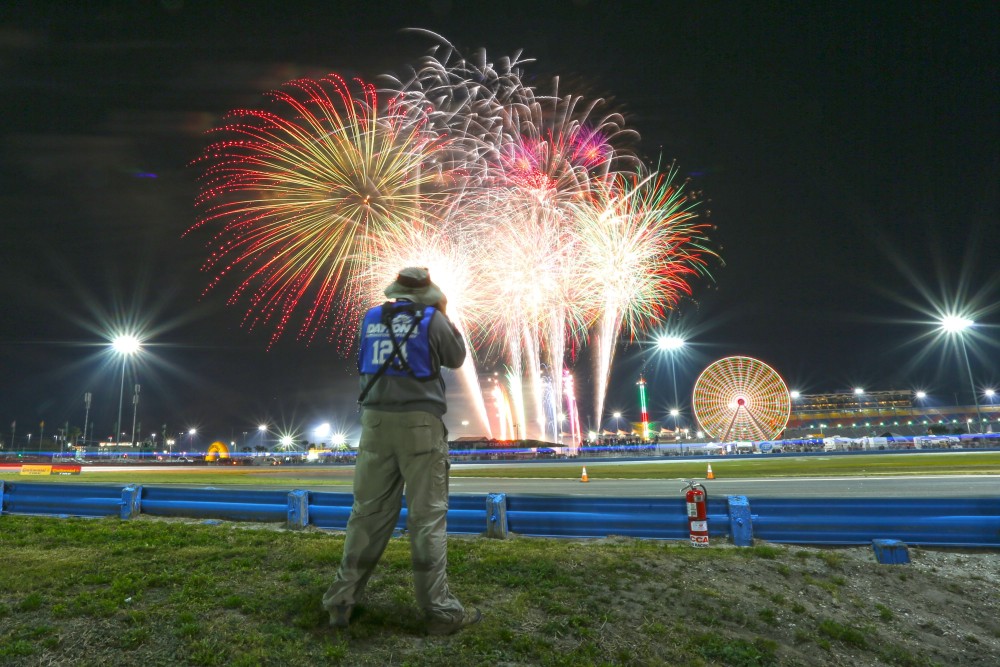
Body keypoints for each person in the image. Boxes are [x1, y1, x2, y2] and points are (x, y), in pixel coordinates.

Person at [322, 267, 481, 635]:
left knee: (366, 516)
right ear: (428, 294)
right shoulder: (431, 319)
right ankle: (438, 611)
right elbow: (456, 358)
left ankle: (340, 603)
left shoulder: (371, 316)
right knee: (427, 520)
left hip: (375, 424)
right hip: (419, 427)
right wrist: (442, 312)